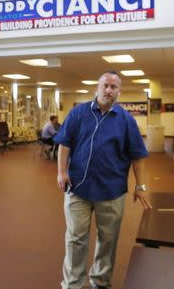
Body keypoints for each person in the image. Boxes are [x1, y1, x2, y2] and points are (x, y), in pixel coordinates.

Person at [54, 71, 150, 289]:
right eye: (105, 85)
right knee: (75, 239)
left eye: (114, 87)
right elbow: (65, 144)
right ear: (97, 87)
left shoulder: (126, 120)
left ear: (119, 91)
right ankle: (72, 283)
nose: (109, 90)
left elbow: (138, 156)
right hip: (78, 188)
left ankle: (100, 281)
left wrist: (141, 186)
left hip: (111, 191)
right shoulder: (78, 113)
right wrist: (62, 172)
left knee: (108, 240)